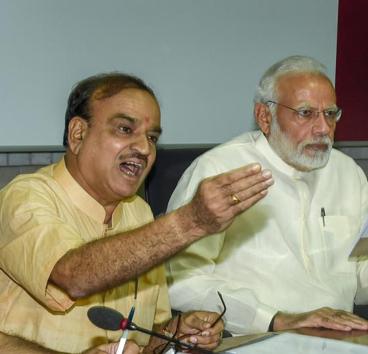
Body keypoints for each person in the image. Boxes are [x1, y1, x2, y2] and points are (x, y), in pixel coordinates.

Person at [0, 73, 273, 353]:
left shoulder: (138, 213)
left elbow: (144, 337)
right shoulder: (24, 196)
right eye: (124, 129)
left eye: (152, 137)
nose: (145, 149)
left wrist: (176, 333)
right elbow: (74, 277)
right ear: (78, 134)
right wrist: (190, 221)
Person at [166, 55, 368, 335]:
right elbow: (181, 284)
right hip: (251, 341)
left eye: (330, 114)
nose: (322, 128)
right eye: (306, 113)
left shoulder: (348, 173)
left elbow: (367, 290)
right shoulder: (219, 170)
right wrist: (275, 319)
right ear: (264, 116)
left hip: (338, 339)